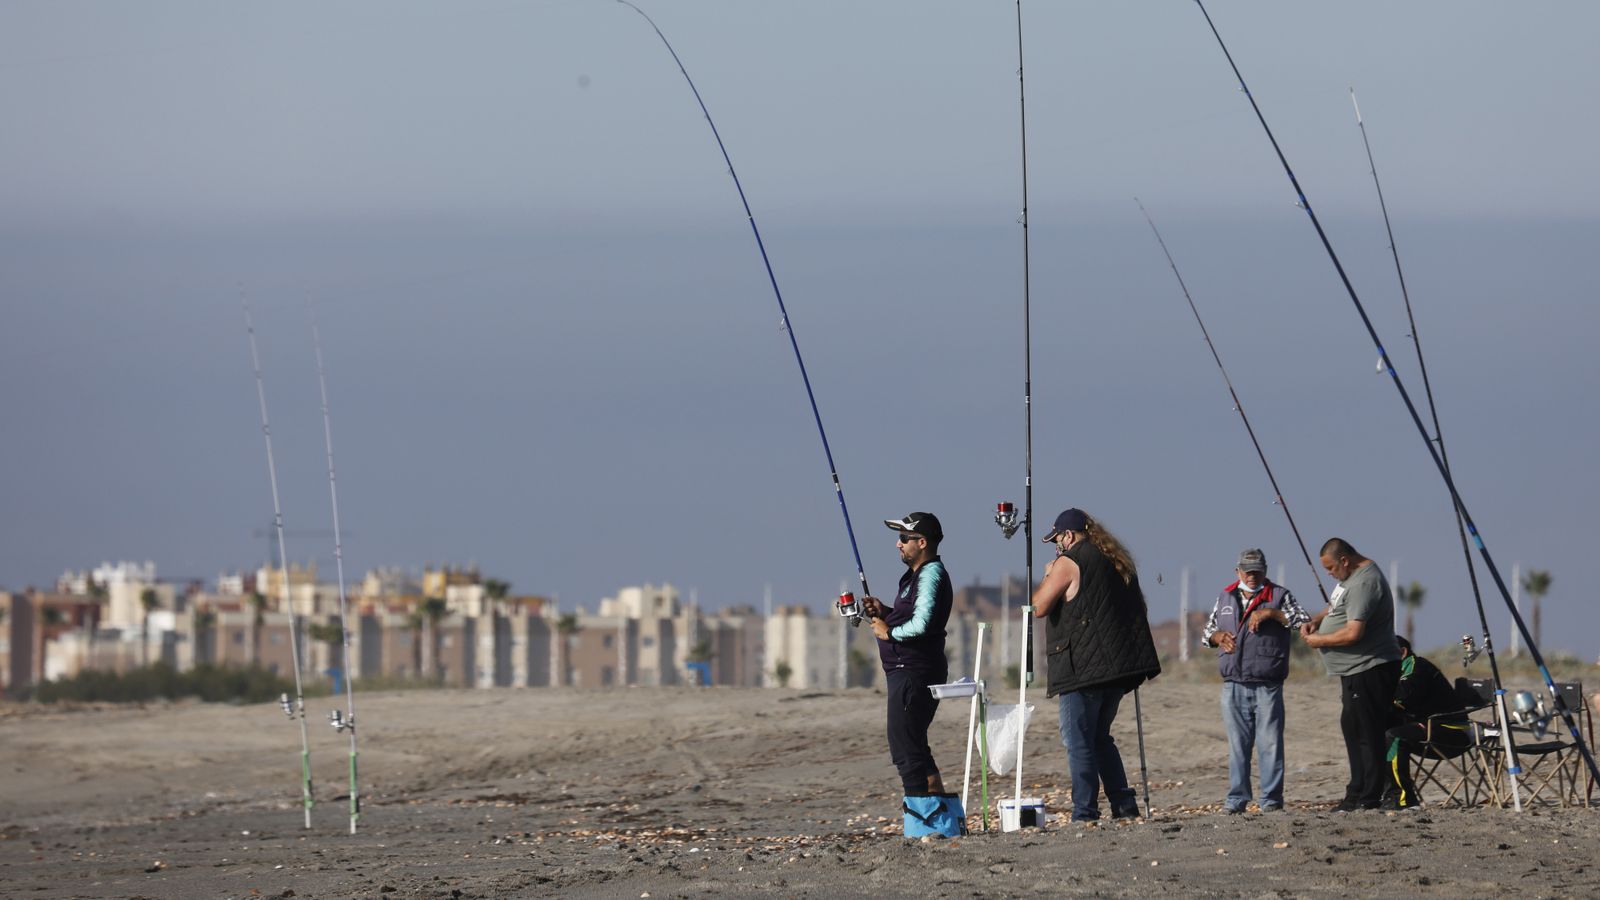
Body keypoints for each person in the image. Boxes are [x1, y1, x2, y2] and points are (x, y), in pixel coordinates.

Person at [1032, 508, 1161, 822]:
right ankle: (1123, 804)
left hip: (1082, 668)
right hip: (1117, 668)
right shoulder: (1117, 562)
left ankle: (1085, 811)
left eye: (1057, 540)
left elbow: (1038, 607)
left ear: (1070, 536)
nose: (1057, 547)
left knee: (1078, 739)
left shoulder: (1070, 561)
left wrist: (1050, 572)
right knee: (1100, 737)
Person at [1200, 548, 1311, 813]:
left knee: (1270, 743)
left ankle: (1271, 800)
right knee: (1237, 746)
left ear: (1265, 570)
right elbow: (1207, 634)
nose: (1252, 576)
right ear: (1237, 571)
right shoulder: (1225, 596)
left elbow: (1303, 622)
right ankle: (1236, 799)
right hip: (1233, 684)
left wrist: (1271, 614)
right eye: (1247, 571)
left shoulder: (1280, 595)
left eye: (1257, 571)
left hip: (1268, 684)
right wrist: (1217, 637)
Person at [1300, 537, 1403, 811]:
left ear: (1344, 560)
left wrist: (1319, 641)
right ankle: (1356, 791)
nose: (1330, 574)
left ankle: (1369, 797)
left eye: (1332, 568)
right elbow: (1338, 607)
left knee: (1368, 733)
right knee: (1352, 727)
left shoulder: (1365, 582)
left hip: (1370, 667)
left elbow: (1353, 632)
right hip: (1353, 670)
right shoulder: (1350, 579)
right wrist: (1317, 621)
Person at [861, 511, 953, 798]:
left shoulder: (931, 574)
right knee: (912, 744)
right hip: (906, 670)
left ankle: (922, 817)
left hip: (914, 671)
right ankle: (935, 814)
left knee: (905, 749)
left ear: (922, 542)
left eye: (904, 538)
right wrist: (886, 611)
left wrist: (889, 632)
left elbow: (924, 623)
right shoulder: (914, 577)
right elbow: (912, 615)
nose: (898, 544)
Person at [1383, 635, 1471, 809]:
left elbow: (1402, 700)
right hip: (1431, 727)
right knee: (1379, 732)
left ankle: (1404, 798)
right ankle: (1382, 793)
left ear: (1402, 652)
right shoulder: (1402, 669)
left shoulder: (1416, 667)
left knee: (1394, 737)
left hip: (1452, 733)